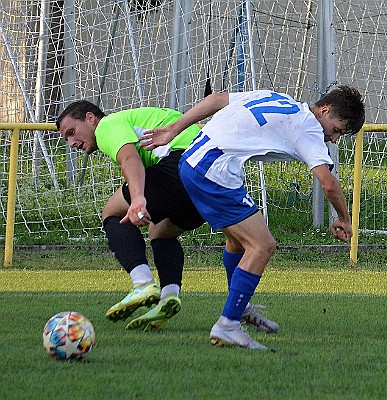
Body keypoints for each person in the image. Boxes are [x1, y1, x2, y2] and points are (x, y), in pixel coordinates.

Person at [139, 86, 365, 349]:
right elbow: (328, 184)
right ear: (324, 111)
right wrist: (344, 218)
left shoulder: (274, 97)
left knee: (237, 242)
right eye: (336, 130)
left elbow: (216, 100)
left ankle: (240, 307)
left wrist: (173, 129)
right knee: (263, 245)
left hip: (193, 159)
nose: (334, 138)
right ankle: (228, 324)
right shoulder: (308, 126)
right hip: (214, 170)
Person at [56, 101, 279, 334]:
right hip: (212, 173)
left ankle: (142, 284)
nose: (72, 143)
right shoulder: (140, 118)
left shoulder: (107, 125)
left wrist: (138, 198)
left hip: (184, 164)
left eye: (72, 132)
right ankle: (169, 296)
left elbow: (130, 159)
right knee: (161, 232)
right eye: (66, 139)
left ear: (90, 118)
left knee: (111, 212)